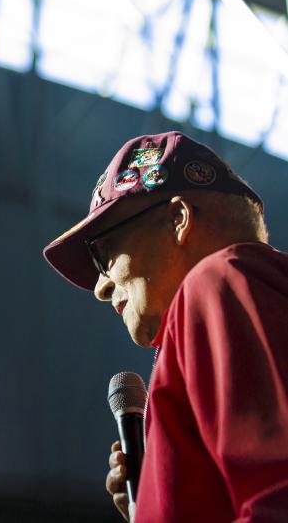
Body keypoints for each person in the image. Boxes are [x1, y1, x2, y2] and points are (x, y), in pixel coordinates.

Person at [42, 131, 288, 522]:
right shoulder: (246, 298)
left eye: (103, 255)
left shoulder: (221, 280)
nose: (101, 288)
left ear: (178, 219)